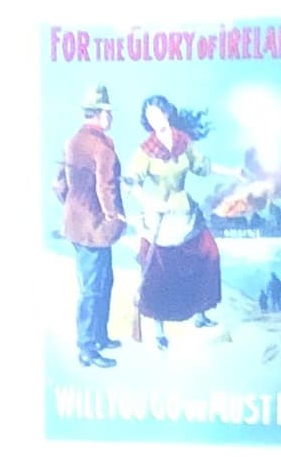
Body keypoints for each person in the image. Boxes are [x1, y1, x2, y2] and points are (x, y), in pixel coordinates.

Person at [126, 93, 221, 345]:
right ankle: (159, 331)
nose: (154, 119)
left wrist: (233, 171)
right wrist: (151, 202)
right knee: (160, 272)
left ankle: (200, 314)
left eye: (157, 113)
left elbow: (202, 167)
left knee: (207, 255)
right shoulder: (145, 150)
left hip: (185, 212)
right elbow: (132, 182)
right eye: (149, 116)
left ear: (167, 113)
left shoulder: (183, 141)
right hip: (159, 217)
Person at [56, 83, 124, 369]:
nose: (111, 117)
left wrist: (73, 208)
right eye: (109, 112)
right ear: (100, 114)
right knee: (94, 288)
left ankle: (99, 336)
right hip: (97, 228)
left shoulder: (72, 142)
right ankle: (87, 348)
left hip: (77, 226)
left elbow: (58, 184)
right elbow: (105, 188)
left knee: (102, 281)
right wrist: (113, 217)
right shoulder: (102, 147)